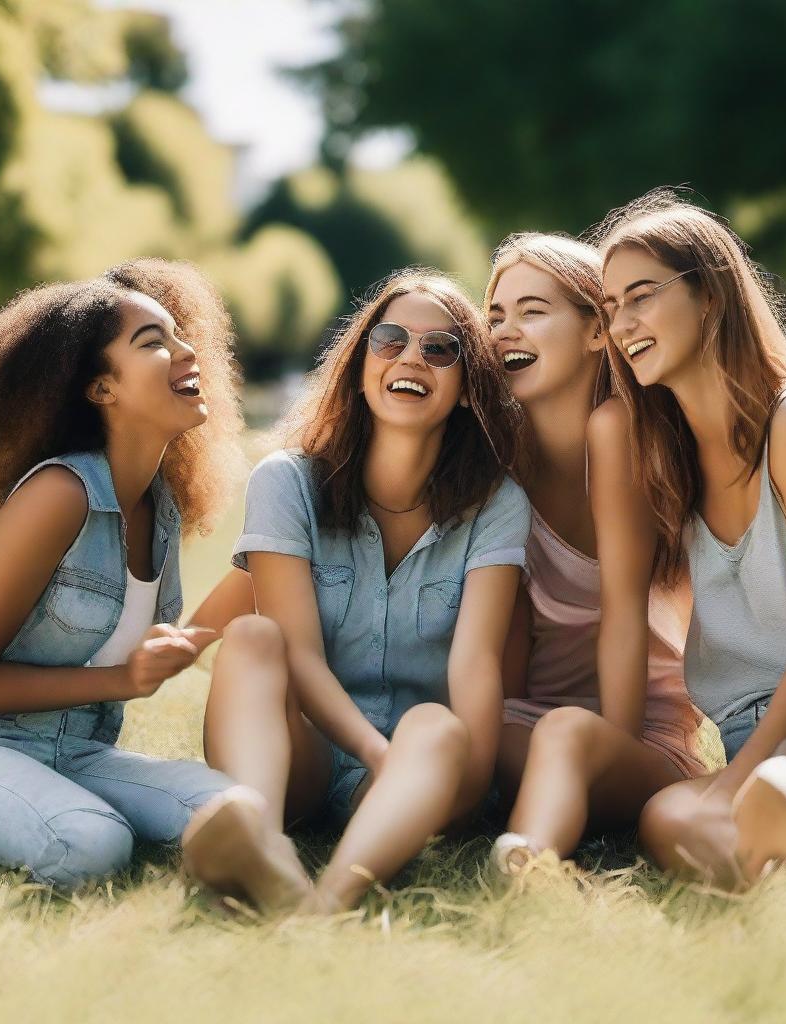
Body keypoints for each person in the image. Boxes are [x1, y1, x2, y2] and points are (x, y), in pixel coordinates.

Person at [0, 260, 305, 906]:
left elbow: (147, 637)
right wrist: (120, 681)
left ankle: (293, 903)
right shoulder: (58, 495)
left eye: (178, 335)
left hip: (79, 752)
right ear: (101, 390)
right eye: (154, 344)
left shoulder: (159, 505)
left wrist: (285, 548)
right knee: (94, 842)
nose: (185, 350)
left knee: (235, 804)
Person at [189, 269, 532, 912]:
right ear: (360, 363)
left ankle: (324, 903)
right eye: (391, 339)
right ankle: (258, 841)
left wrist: (466, 789)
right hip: (307, 759)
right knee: (253, 637)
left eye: (441, 349)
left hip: (420, 771)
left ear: (466, 390)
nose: (411, 357)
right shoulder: (286, 483)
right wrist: (380, 754)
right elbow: (300, 656)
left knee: (435, 723)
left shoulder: (498, 503)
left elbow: (476, 664)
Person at [596, 191, 786, 888]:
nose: (621, 324)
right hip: (758, 737)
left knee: (774, 794)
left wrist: (737, 784)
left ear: (712, 297)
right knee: (665, 815)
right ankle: (761, 844)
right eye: (609, 308)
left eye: (641, 296)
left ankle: (764, 835)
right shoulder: (666, 458)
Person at [485, 233, 712, 875]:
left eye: (532, 311)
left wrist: (615, 746)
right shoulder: (500, 453)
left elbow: (623, 613)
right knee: (454, 733)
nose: (506, 331)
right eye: (496, 315)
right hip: (533, 720)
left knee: (565, 736)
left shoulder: (615, 430)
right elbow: (509, 627)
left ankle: (530, 863)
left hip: (635, 734)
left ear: (595, 331)